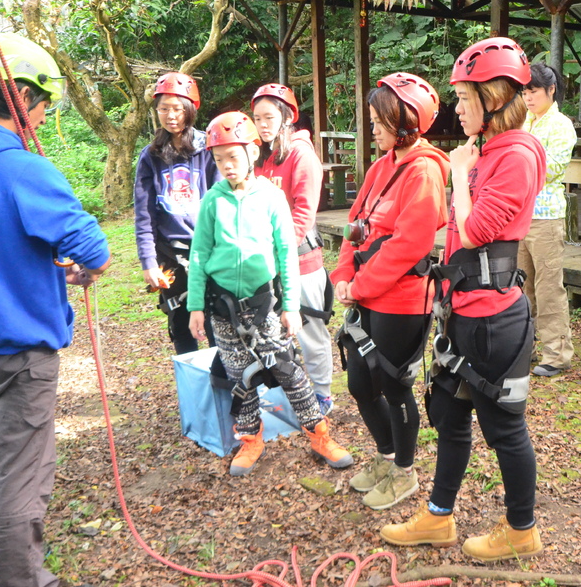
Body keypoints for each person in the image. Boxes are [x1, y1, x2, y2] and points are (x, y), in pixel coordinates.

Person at [0, 33, 110, 587]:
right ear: (23, 98)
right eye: (44, 104)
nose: (44, 116)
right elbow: (95, 250)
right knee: (22, 472)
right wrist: (85, 267)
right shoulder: (22, 168)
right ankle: (20, 578)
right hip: (21, 347)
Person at [379, 38, 546, 562]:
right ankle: (438, 516)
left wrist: (457, 175)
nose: (457, 108)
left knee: (505, 428)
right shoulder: (486, 150)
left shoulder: (516, 154)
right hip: (462, 313)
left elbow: (475, 232)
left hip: (493, 319)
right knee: (449, 416)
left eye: (464, 98)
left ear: (493, 100)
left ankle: (521, 529)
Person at [186, 112, 353, 477]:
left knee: (288, 369)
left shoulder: (272, 198)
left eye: (233, 157)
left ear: (252, 152)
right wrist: (195, 305)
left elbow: (286, 255)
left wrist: (290, 306)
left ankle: (320, 434)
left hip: (264, 304)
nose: (227, 166)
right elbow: (199, 256)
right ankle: (250, 439)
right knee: (239, 375)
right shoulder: (212, 201)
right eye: (219, 160)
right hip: (223, 306)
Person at [331, 72, 449, 510]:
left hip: (401, 300)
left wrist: (358, 285)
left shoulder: (423, 171)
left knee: (393, 384)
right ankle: (385, 456)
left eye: (380, 121)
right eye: (373, 121)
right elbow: (354, 224)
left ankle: (404, 470)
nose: (374, 129)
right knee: (360, 382)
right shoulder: (382, 166)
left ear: (405, 122)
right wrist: (343, 275)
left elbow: (409, 245)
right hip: (367, 293)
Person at [251, 84, 335, 414]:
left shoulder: (301, 155)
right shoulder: (262, 157)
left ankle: (323, 395)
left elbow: (303, 212)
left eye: (269, 117)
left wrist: (280, 255)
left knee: (311, 331)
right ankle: (292, 393)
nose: (263, 124)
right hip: (268, 263)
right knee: (276, 332)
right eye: (257, 118)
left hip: (302, 261)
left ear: (287, 117)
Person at [134, 72, 219, 355]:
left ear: (191, 109)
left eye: (178, 108)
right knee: (180, 324)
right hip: (170, 253)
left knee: (218, 320)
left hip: (209, 250)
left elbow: (223, 203)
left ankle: (224, 379)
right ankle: (192, 381)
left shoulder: (209, 148)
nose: (171, 116)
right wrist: (149, 261)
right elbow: (144, 214)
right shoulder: (151, 156)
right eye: (164, 109)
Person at [519, 63, 577, 377]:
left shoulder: (561, 125)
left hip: (546, 216)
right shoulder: (522, 121)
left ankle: (556, 354)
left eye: (534, 91)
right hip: (519, 214)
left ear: (551, 90)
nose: (528, 98)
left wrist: (520, 160)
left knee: (548, 288)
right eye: (524, 92)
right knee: (520, 288)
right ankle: (521, 349)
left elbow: (552, 169)